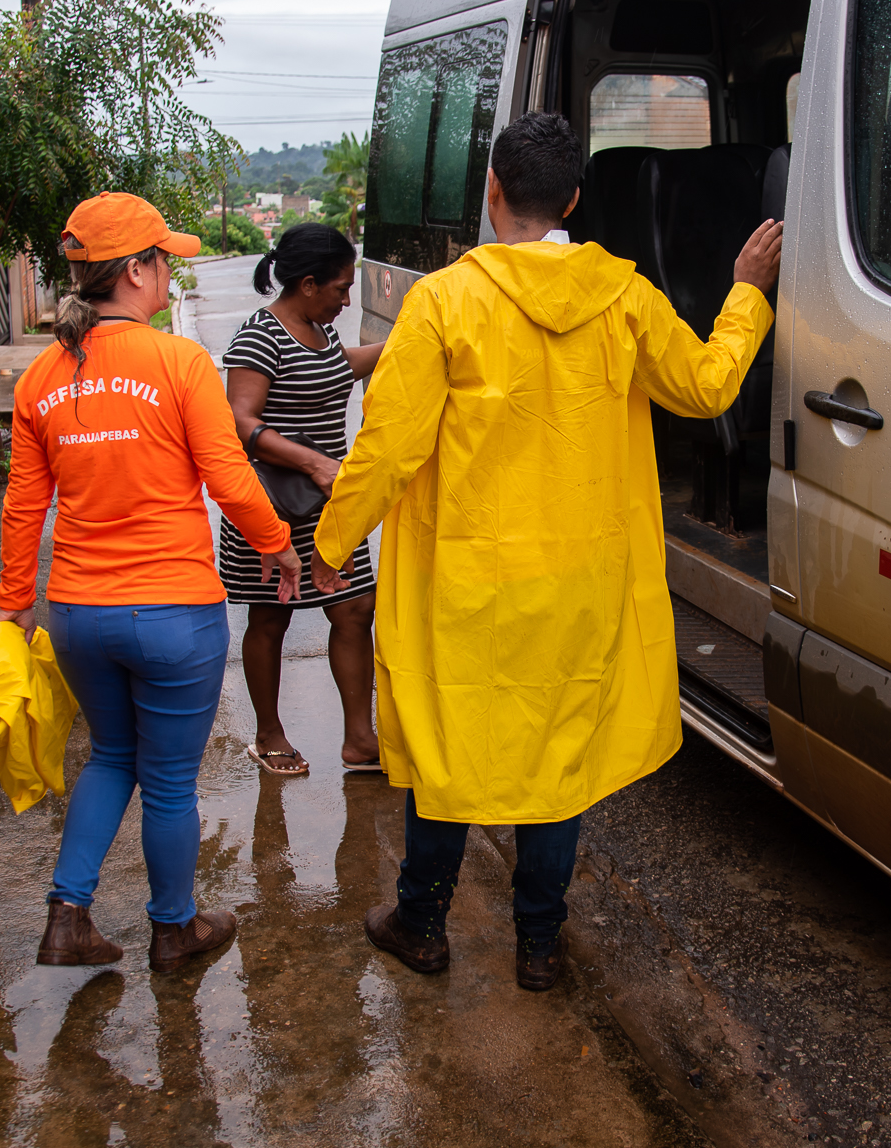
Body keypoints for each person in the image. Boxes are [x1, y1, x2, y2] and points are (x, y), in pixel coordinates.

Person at [310, 112, 783, 990]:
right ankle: (538, 945)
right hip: (580, 581)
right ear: (572, 200)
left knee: (448, 750)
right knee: (557, 762)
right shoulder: (625, 296)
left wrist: (333, 542)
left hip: (469, 580)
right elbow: (707, 385)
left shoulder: (443, 302)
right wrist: (746, 290)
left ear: (493, 191)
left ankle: (422, 924)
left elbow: (386, 448)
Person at [0, 191, 301, 974]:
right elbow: (229, 478)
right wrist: (279, 545)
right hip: (171, 613)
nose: (170, 274)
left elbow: (23, 503)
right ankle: (174, 929)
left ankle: (68, 917)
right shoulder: (178, 362)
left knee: (110, 757)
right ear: (134, 271)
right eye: (163, 261)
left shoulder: (41, 378)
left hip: (79, 613)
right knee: (167, 782)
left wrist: (13, 603)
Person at [220, 222, 385, 777]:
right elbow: (239, 421)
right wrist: (314, 462)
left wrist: (399, 346)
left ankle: (359, 739)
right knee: (271, 617)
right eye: (341, 288)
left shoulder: (321, 329)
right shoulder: (259, 336)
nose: (346, 300)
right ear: (308, 284)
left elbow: (337, 369)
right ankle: (268, 735)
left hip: (329, 504)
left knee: (355, 608)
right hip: (273, 507)